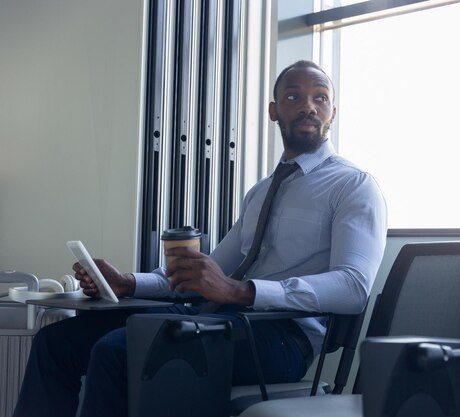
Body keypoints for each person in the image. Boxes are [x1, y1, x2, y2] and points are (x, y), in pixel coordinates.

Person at [12, 60, 387, 417]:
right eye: (293, 96)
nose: (308, 106)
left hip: (284, 338)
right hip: (218, 317)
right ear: (274, 111)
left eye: (320, 97)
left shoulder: (353, 186)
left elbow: (354, 288)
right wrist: (128, 283)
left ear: (333, 113)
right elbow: (204, 275)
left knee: (118, 351)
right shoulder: (261, 192)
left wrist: (243, 292)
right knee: (57, 342)